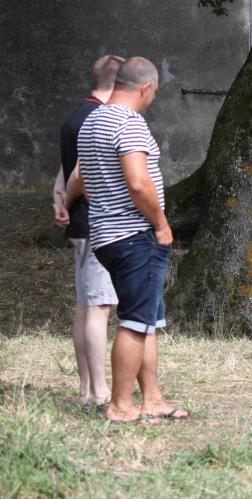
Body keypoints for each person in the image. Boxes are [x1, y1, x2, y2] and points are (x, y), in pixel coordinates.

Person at [78, 56, 187, 423]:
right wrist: (160, 223)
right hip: (134, 235)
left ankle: (152, 398)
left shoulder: (92, 122)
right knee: (135, 320)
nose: (152, 98)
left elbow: (87, 184)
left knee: (148, 321)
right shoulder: (129, 123)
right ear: (144, 87)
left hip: (107, 235)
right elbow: (139, 183)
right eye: (153, 92)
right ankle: (121, 405)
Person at [52, 55, 124, 409]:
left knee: (85, 306)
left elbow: (63, 169)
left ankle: (84, 389)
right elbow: (80, 173)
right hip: (98, 224)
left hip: (81, 226)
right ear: (117, 84)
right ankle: (99, 393)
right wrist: (69, 195)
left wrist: (59, 199)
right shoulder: (100, 117)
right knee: (98, 308)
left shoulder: (73, 116)